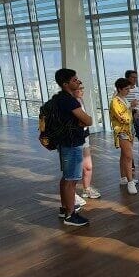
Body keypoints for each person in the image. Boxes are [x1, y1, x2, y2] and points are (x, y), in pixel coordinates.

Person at [54, 68, 93, 226]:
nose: (78, 82)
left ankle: (65, 208)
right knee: (71, 180)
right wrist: (83, 120)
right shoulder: (70, 101)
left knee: (66, 178)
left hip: (64, 142)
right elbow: (88, 120)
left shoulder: (58, 98)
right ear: (66, 84)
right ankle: (70, 215)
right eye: (75, 80)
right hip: (72, 143)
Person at [110, 78, 137, 194]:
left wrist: (130, 107)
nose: (128, 91)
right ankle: (130, 182)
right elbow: (122, 117)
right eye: (126, 89)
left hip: (128, 130)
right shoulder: (115, 101)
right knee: (128, 156)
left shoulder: (122, 99)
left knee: (124, 155)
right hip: (122, 131)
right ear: (119, 89)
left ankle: (124, 178)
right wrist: (130, 106)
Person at [73, 85, 101, 199]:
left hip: (84, 136)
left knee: (88, 166)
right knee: (74, 168)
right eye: (79, 89)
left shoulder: (80, 100)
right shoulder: (71, 104)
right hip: (75, 138)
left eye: (82, 88)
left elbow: (87, 120)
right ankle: (72, 195)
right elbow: (86, 120)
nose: (82, 91)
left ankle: (86, 189)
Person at [125, 70, 139, 166]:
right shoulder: (123, 91)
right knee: (129, 140)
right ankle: (131, 162)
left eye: (136, 77)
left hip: (137, 116)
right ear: (127, 78)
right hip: (127, 116)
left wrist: (137, 112)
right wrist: (131, 106)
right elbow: (120, 105)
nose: (135, 79)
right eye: (133, 77)